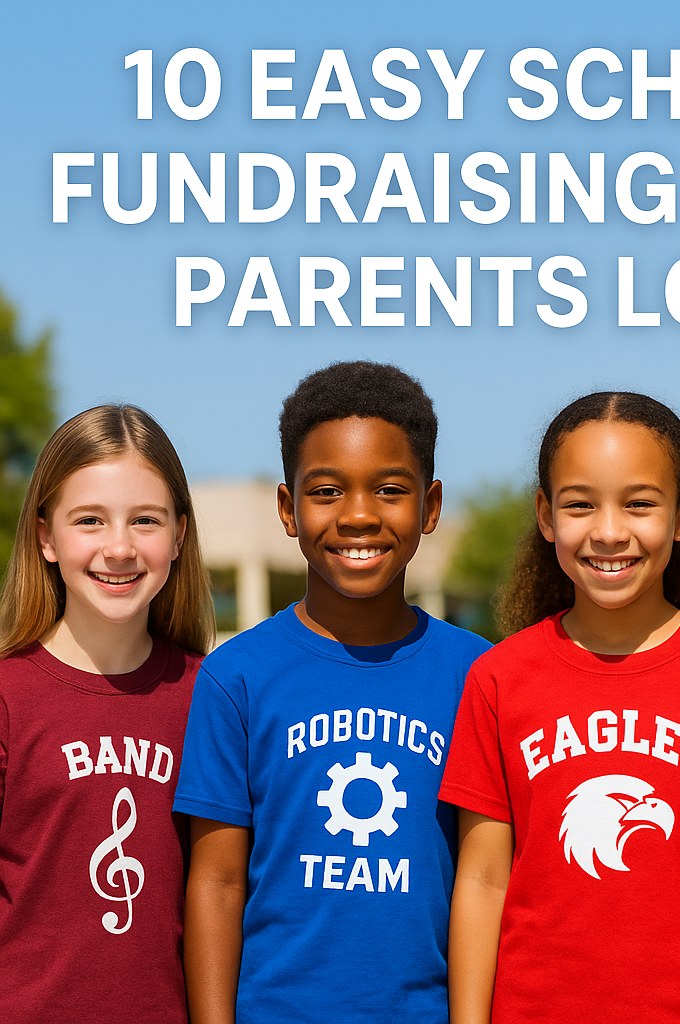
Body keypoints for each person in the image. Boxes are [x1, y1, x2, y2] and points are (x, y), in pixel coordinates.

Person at [439, 392, 680, 1024]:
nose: (609, 531)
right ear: (546, 515)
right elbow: (482, 880)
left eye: (639, 503)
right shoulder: (498, 678)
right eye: (580, 504)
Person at [173, 361, 491, 1024]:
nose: (358, 516)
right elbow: (217, 882)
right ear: (288, 510)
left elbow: (487, 878)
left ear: (430, 507)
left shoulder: (480, 675)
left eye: (390, 490)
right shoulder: (235, 677)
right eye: (325, 491)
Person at [0, 404, 213, 1024]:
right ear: (46, 537)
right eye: (89, 520)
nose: (119, 548)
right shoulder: (9, 696)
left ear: (178, 535)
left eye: (145, 520)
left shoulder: (213, 696)